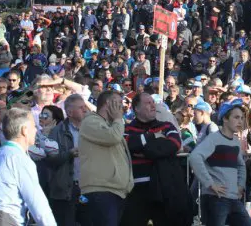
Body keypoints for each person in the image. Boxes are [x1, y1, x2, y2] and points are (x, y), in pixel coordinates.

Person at [0, 107, 56, 226]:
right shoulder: (20, 159)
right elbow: (37, 202)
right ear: (24, 130)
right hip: (3, 220)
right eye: (34, 126)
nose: (36, 130)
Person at [123, 92, 187, 226]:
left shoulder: (167, 126)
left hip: (164, 190)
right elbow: (128, 145)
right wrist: (154, 137)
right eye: (148, 103)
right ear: (136, 108)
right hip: (136, 191)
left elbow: (174, 144)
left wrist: (143, 151)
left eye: (153, 102)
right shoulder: (126, 129)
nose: (153, 106)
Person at [189, 98, 251, 226]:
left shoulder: (235, 141)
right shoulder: (213, 138)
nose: (240, 121)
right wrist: (210, 183)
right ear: (225, 119)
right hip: (215, 198)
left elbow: (240, 165)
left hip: (233, 198)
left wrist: (241, 185)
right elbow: (195, 157)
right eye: (236, 117)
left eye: (241, 118)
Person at [79, 90, 133, 226]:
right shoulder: (90, 121)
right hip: (100, 191)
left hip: (116, 191)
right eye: (119, 103)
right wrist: (118, 119)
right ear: (108, 103)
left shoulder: (113, 125)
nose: (123, 107)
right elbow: (112, 137)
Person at [44, 94, 88, 226]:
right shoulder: (56, 132)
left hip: (88, 187)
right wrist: (68, 154)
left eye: (85, 106)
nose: (85, 110)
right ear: (69, 112)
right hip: (66, 190)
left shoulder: (92, 129)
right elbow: (50, 160)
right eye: (81, 107)